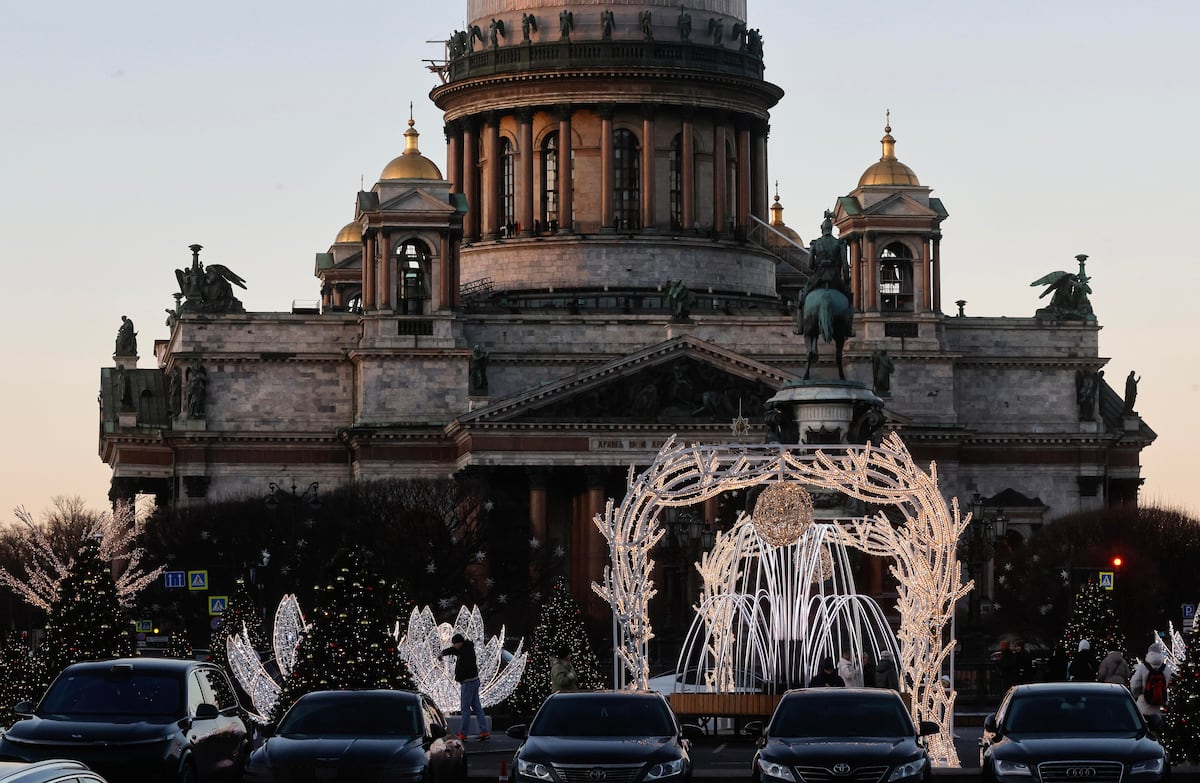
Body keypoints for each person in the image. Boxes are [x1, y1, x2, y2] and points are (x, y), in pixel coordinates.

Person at [439, 633, 490, 740]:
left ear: (459, 643)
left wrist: (459, 677)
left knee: (465, 708)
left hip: (468, 683)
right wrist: (443, 653)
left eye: (455, 644)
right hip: (474, 681)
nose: (454, 646)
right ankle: (484, 731)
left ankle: (463, 733)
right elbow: (453, 650)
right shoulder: (466, 648)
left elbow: (465, 667)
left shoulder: (465, 652)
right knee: (477, 707)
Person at [1129, 644, 1173, 732]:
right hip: (1160, 705)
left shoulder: (1142, 668)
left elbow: (1135, 684)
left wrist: (1136, 695)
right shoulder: (1167, 669)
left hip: (1144, 704)